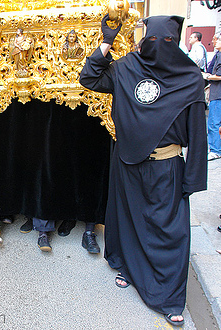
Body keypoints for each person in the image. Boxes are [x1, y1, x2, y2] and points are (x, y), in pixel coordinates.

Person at [80, 15, 207, 327]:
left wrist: (192, 178)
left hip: (167, 167)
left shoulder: (188, 77)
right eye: (151, 40)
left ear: (174, 43)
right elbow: (90, 79)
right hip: (129, 164)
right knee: (131, 223)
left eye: (164, 41)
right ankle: (130, 269)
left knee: (169, 232)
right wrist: (106, 43)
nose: (156, 47)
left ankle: (170, 298)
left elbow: (198, 133)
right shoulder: (126, 68)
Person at [204, 36, 221, 161]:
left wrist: (208, 76)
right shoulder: (217, 55)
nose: (214, 41)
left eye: (217, 39)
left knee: (214, 123)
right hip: (216, 92)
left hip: (218, 93)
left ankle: (215, 150)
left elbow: (218, 76)